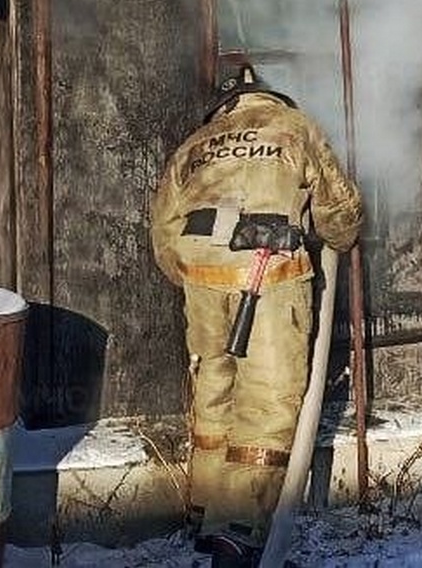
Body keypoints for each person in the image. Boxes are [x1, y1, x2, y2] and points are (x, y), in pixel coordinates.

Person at [151, 64, 363, 566]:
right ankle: (238, 529)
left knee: (214, 389)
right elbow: (340, 210)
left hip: (201, 275)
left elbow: (163, 229)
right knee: (266, 403)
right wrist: (340, 237)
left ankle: (204, 512)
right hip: (269, 271)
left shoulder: (196, 143)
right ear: (270, 98)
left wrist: (196, 276)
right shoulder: (296, 128)